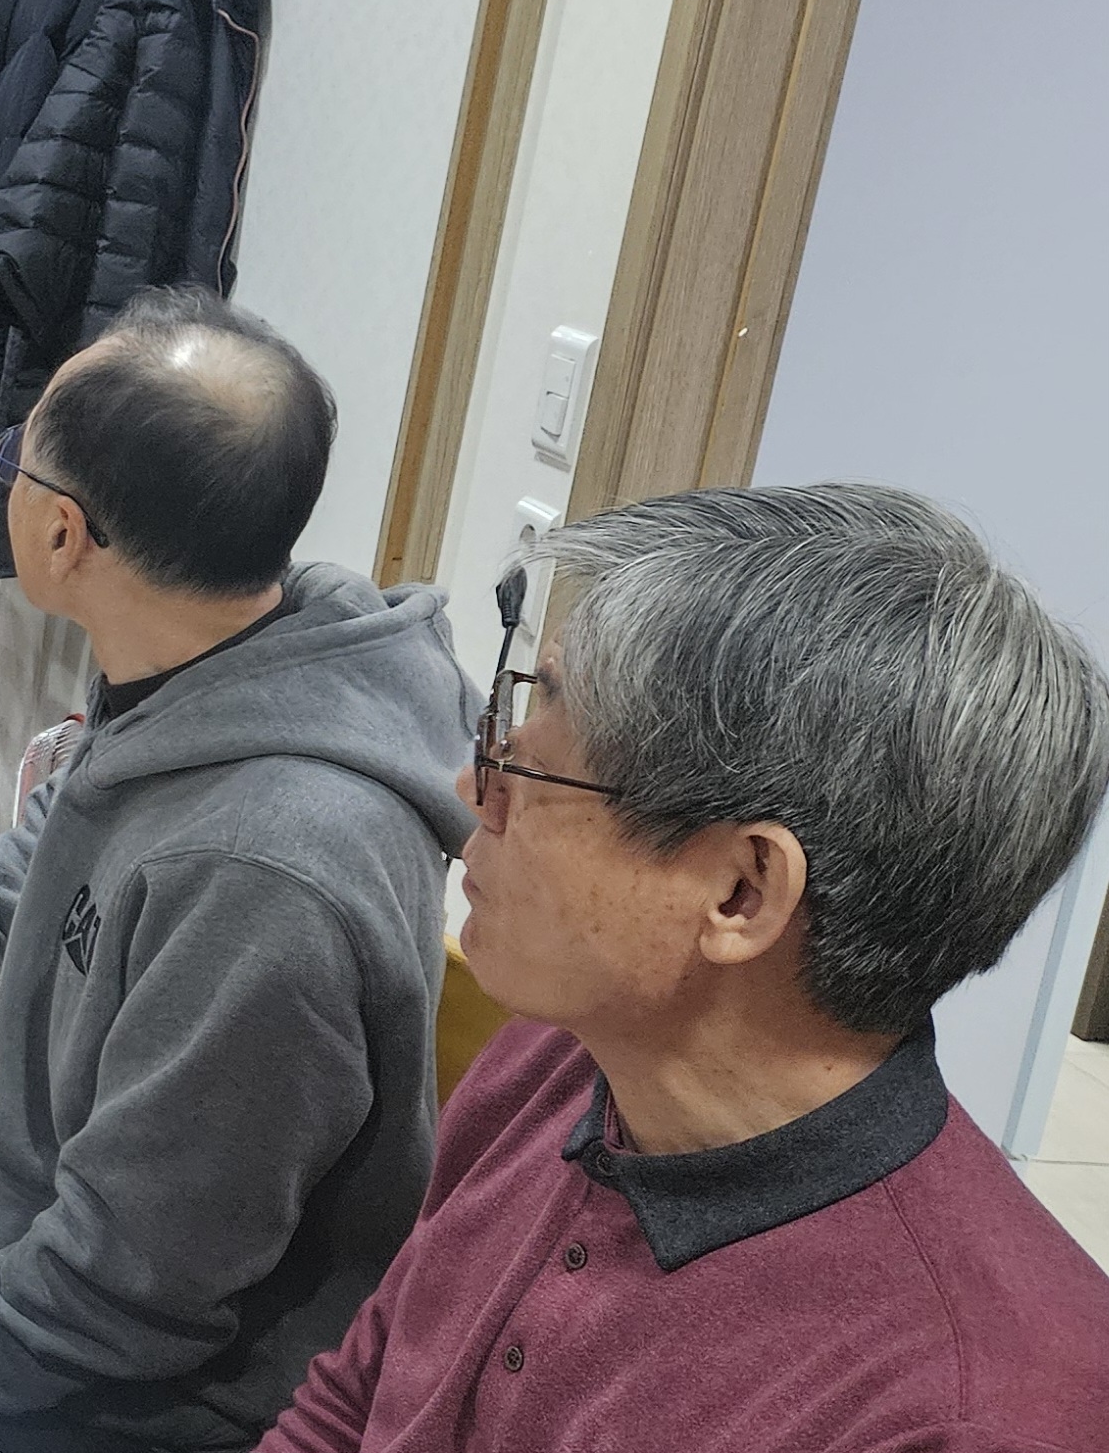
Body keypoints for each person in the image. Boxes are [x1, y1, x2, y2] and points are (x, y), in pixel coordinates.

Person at [260, 485, 1109, 1453]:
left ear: (742, 892)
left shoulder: (972, 1412)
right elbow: (357, 1395)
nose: (474, 788)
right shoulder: (560, 1059)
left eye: (532, 766)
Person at [0, 288, 473, 1453]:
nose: (1, 472)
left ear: (63, 533)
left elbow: (129, 1286)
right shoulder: (221, 651)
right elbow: (81, 808)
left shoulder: (265, 872)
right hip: (33, 1281)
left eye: (15, 456)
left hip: (142, 1401)